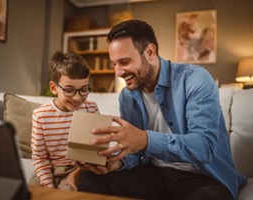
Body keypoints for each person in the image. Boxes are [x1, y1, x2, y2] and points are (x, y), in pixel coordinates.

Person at [77, 19, 247, 200]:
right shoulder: (127, 96)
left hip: (202, 177)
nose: (118, 72)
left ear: (150, 52)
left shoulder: (194, 79)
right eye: (114, 64)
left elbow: (204, 146)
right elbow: (136, 153)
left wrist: (145, 139)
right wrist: (116, 163)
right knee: (90, 177)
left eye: (124, 61)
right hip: (153, 175)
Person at [30, 51, 99, 191]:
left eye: (84, 90)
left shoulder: (91, 108)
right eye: (69, 90)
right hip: (46, 171)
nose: (77, 98)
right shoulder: (40, 115)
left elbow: (95, 153)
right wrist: (49, 187)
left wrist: (76, 173)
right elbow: (39, 158)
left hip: (76, 171)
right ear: (54, 88)